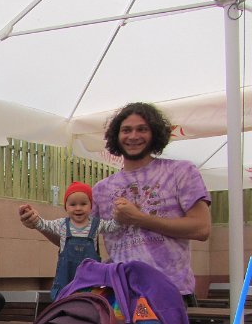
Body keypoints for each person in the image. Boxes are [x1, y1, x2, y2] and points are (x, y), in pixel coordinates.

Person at [92, 102, 211, 304]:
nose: (133, 136)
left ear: (154, 133)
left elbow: (202, 229)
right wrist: (39, 224)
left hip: (171, 294)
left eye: (142, 129)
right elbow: (79, 237)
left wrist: (140, 219)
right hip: (120, 296)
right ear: (116, 136)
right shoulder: (101, 189)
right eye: (126, 130)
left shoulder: (181, 172)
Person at [20, 181, 120, 299]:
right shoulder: (61, 224)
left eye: (83, 204)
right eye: (73, 204)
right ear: (66, 207)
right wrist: (32, 216)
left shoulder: (97, 224)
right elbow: (43, 225)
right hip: (65, 281)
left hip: (90, 282)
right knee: (64, 303)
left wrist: (119, 213)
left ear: (91, 206)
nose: (78, 208)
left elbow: (113, 226)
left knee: (88, 303)